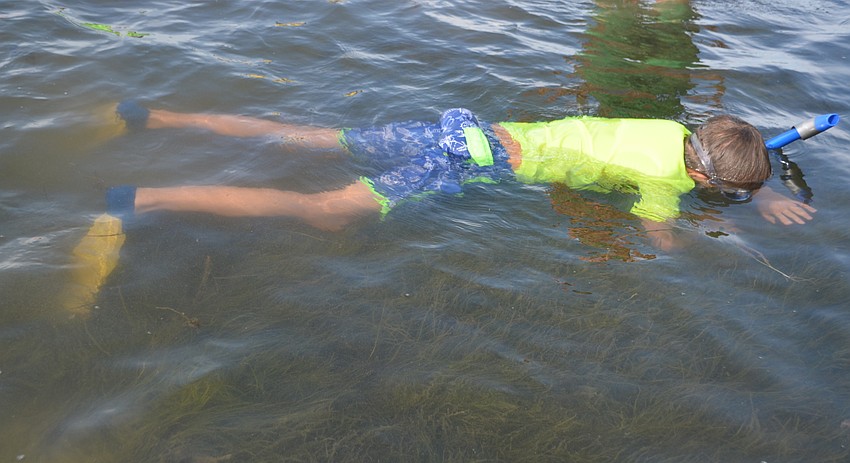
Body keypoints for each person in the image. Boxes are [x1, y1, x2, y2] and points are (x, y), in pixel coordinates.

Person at [64, 101, 815, 315]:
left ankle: (141, 116)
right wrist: (727, 225)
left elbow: (728, 144)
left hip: (470, 129)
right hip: (467, 161)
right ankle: (132, 204)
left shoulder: (670, 131)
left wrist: (761, 181)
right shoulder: (667, 186)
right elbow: (666, 242)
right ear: (704, 177)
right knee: (325, 210)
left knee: (313, 138)